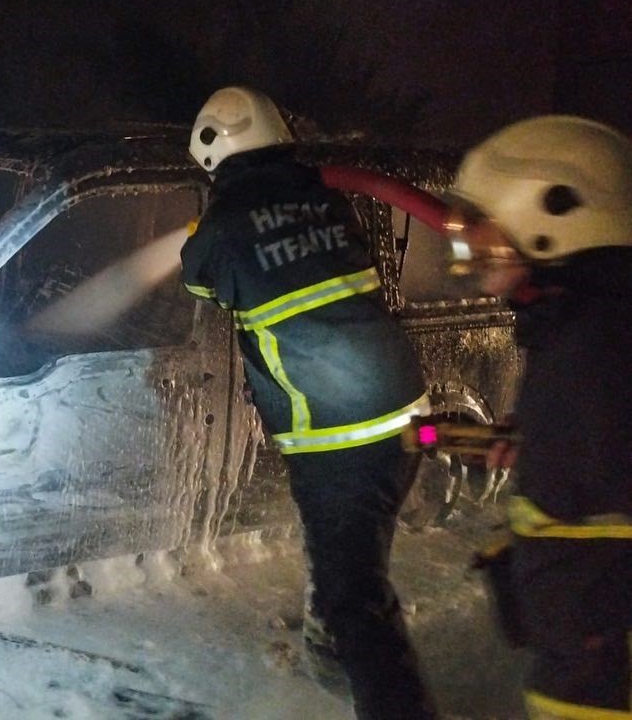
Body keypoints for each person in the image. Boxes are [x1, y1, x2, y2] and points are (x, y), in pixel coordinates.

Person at [180, 86, 436, 720]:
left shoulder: (222, 227)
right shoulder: (327, 198)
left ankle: (384, 690)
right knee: (353, 551)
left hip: (335, 438)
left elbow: (199, 278)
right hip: (412, 422)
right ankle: (330, 647)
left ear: (213, 158)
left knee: (357, 594)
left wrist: (201, 232)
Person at [445, 114, 632, 720]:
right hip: (583, 655)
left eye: (480, 229)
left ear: (553, 215)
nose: (468, 248)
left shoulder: (596, 345)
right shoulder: (582, 326)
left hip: (598, 677)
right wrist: (537, 442)